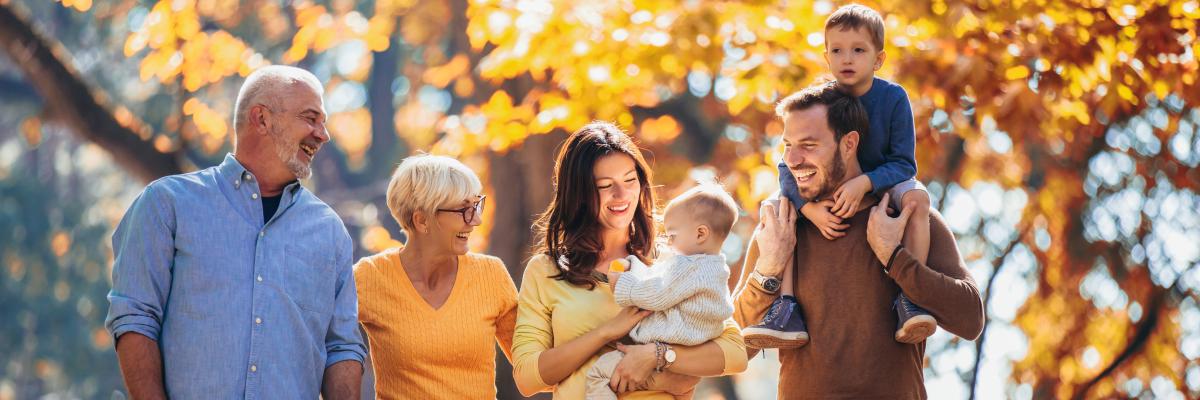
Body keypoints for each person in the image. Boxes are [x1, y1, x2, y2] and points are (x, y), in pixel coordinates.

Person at [105, 65, 365, 399]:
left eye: (323, 122)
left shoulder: (330, 232)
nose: (322, 134)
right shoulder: (167, 204)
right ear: (262, 119)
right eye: (310, 118)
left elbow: (342, 347)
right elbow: (135, 317)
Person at [733, 82, 983, 398]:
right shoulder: (781, 228)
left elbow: (970, 319)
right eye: (787, 145)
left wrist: (895, 257)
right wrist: (767, 271)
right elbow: (732, 349)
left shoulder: (907, 220)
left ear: (849, 143)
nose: (793, 160)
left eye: (809, 145)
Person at [747, 3, 938, 348]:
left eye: (858, 50)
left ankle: (910, 297)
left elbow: (905, 164)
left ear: (878, 59)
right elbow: (787, 164)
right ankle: (786, 308)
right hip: (824, 190)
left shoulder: (893, 98)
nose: (846, 59)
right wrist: (806, 207)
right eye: (837, 50)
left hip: (882, 186)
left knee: (917, 198)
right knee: (778, 208)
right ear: (826, 57)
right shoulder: (822, 100)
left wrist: (864, 182)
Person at [511, 122, 748, 399]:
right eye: (604, 186)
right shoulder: (546, 271)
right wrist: (606, 332)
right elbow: (527, 377)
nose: (622, 196)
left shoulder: (675, 259)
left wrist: (657, 355)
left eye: (629, 180)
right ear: (579, 194)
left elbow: (734, 353)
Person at [353, 154, 517, 399]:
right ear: (421, 220)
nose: (476, 220)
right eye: (463, 209)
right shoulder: (369, 276)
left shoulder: (490, 275)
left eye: (476, 205)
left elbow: (535, 369)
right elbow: (323, 347)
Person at [586, 183, 740, 400]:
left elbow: (657, 294)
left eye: (673, 236)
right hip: (689, 353)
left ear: (700, 233)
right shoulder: (715, 268)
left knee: (599, 373)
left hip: (670, 342)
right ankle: (676, 386)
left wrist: (622, 284)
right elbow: (658, 276)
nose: (668, 243)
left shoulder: (686, 266)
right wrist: (634, 265)